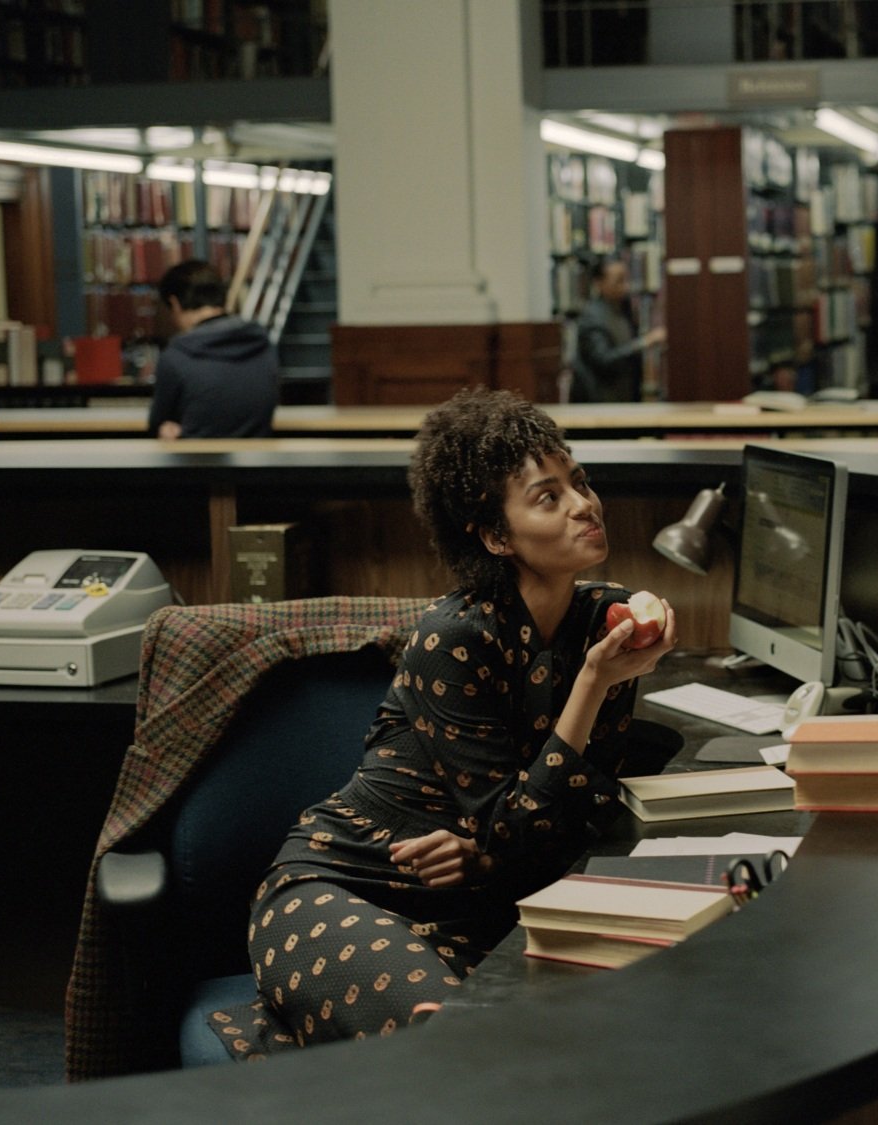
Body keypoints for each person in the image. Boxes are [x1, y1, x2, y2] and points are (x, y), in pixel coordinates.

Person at [205, 387, 676, 1057]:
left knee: (592, 1035)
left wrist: (488, 852)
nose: (584, 504)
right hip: (337, 890)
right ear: (494, 536)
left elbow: (580, 813)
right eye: (548, 496)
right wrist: (595, 683)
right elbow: (516, 824)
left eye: (579, 480)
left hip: (472, 908)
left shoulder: (604, 621)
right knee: (460, 1044)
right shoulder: (455, 637)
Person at [145, 259, 280, 439]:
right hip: (258, 463)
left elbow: (158, 423)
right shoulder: (262, 343)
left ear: (175, 303)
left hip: (198, 464)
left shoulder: (177, 355)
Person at [569, 257, 664, 403]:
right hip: (600, 404)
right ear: (599, 283)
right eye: (619, 281)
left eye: (626, 279)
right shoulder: (592, 316)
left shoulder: (623, 310)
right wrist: (644, 342)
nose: (626, 286)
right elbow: (603, 360)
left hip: (623, 397)